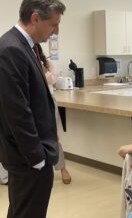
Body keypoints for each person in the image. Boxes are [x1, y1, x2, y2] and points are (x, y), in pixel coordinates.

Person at [0, 0, 66, 218]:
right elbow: (16, 111)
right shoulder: (11, 49)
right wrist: (36, 158)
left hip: (32, 155)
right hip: (28, 159)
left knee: (22, 211)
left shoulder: (26, 47)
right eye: (54, 24)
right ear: (36, 18)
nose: (56, 31)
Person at [37, 43, 72, 184]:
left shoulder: (48, 64)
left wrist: (42, 67)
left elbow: (52, 81)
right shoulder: (25, 62)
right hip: (33, 103)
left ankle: (63, 169)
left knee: (53, 137)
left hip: (48, 101)